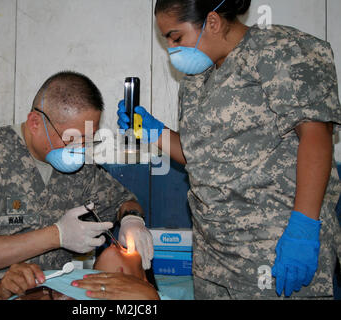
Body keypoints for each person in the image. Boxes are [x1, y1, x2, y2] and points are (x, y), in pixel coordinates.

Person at [118, 0, 341, 299]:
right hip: (214, 256)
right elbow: (198, 157)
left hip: (274, 247)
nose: (171, 48)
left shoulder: (279, 49)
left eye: (175, 37)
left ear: (212, 21)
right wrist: (151, 131)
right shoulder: (196, 79)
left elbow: (316, 135)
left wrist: (303, 226)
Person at [0, 71, 154, 300]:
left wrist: (133, 220)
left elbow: (123, 200)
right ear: (35, 122)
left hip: (41, 292)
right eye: (70, 139)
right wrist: (56, 236)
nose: (79, 150)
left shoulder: (82, 170)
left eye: (86, 140)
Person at [0, 244, 160, 300]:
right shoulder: (53, 284)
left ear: (146, 281)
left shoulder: (151, 296)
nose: (119, 244)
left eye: (126, 248)